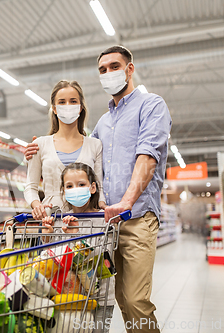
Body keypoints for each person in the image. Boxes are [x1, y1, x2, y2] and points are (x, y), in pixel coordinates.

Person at [25, 46, 172, 333]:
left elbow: (148, 157)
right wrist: (38, 148)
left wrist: (125, 203)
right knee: (107, 297)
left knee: (135, 299)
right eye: (102, 70)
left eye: (114, 66)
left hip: (136, 217)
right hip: (98, 225)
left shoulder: (151, 105)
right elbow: (81, 162)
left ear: (130, 69)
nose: (108, 73)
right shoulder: (103, 124)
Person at [42, 162, 115, 333]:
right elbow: (54, 260)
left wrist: (77, 235)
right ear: (64, 191)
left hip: (100, 297)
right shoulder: (59, 219)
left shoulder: (104, 220)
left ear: (92, 187)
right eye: (69, 186)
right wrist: (47, 235)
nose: (75, 189)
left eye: (81, 184)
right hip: (65, 296)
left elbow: (100, 262)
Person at [24, 80, 106, 220]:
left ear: (80, 107)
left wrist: (103, 208)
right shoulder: (39, 145)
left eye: (73, 101)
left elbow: (99, 186)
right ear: (54, 109)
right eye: (62, 102)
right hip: (51, 220)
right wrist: (37, 206)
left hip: (88, 222)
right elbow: (30, 186)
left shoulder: (95, 145)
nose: (68, 106)